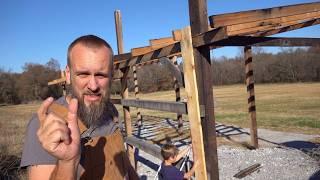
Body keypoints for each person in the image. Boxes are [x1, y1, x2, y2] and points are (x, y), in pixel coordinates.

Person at [20, 35, 137, 179]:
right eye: (83, 74)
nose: (93, 86)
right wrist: (68, 162)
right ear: (68, 75)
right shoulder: (46, 124)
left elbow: (125, 164)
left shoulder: (109, 110)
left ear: (111, 75)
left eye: (101, 75)